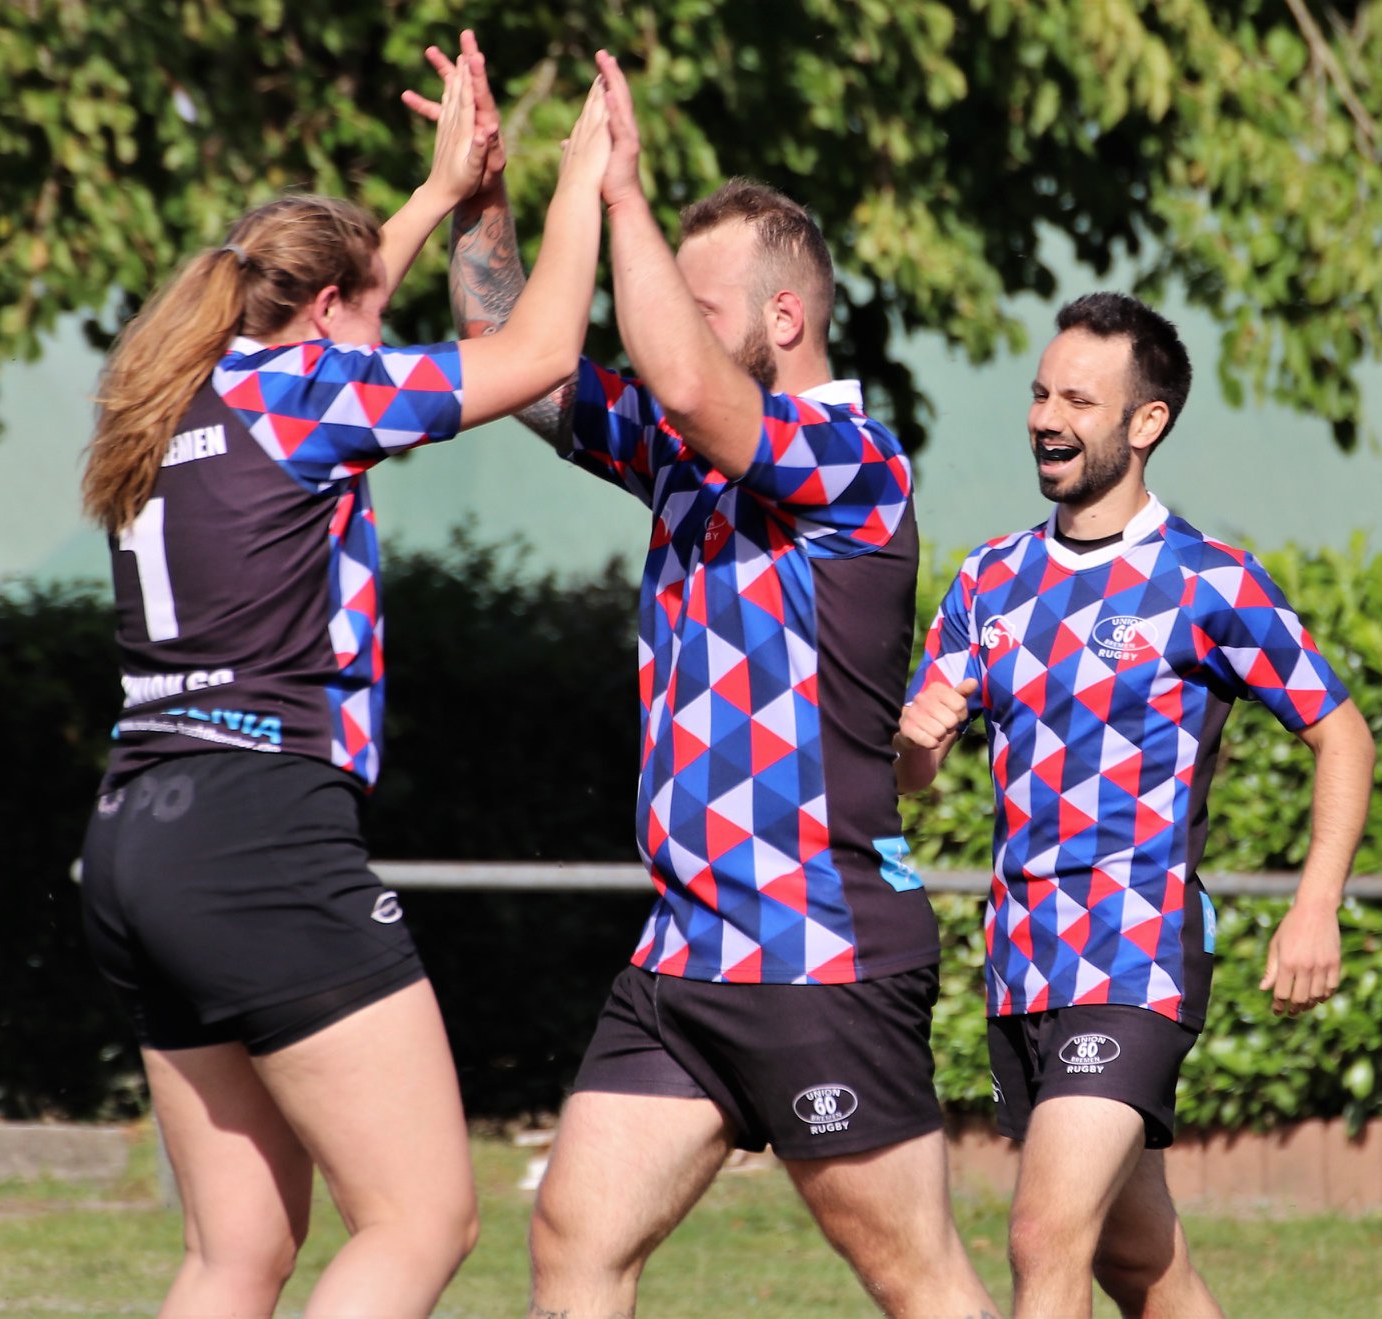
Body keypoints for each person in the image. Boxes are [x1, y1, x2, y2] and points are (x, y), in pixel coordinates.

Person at [410, 43, 999, 1318]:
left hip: (816, 947)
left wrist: (618, 194)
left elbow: (680, 373)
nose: (660, 319)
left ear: (783, 319)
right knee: (575, 1237)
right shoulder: (682, 458)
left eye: (696, 300)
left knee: (912, 1273)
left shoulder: (855, 459)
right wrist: (484, 191)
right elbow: (505, 348)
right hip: (688, 947)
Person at [75, 54, 614, 1317]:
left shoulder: (174, 399)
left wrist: (435, 198)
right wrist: (584, 183)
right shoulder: (311, 394)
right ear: (322, 311)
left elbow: (339, 314)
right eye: (367, 312)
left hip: (136, 831)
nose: (384, 343)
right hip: (256, 826)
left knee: (236, 1250)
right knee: (422, 1218)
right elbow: (539, 351)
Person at [894, 292, 1377, 1318]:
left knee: (1044, 1233)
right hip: (1021, 958)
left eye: (1078, 399)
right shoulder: (988, 578)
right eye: (1039, 394)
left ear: (1145, 421)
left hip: (1136, 948)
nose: (1045, 417)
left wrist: (1315, 905)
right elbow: (911, 773)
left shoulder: (1210, 580)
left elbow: (1342, 732)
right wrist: (913, 739)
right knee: (1138, 1255)